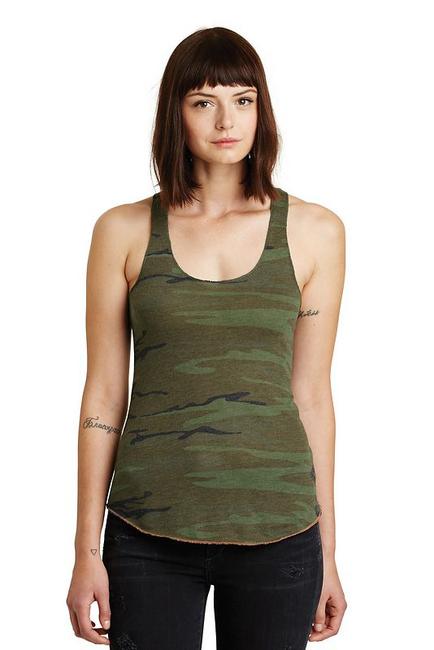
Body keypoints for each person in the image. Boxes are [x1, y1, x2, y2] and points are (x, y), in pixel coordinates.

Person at [66, 26, 347, 650]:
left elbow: (312, 397)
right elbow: (103, 394)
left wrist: (328, 552)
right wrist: (86, 551)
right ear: (176, 113)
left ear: (261, 110)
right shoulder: (123, 230)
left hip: (280, 531)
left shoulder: (314, 232)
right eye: (203, 102)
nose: (226, 121)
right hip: (146, 532)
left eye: (243, 100)